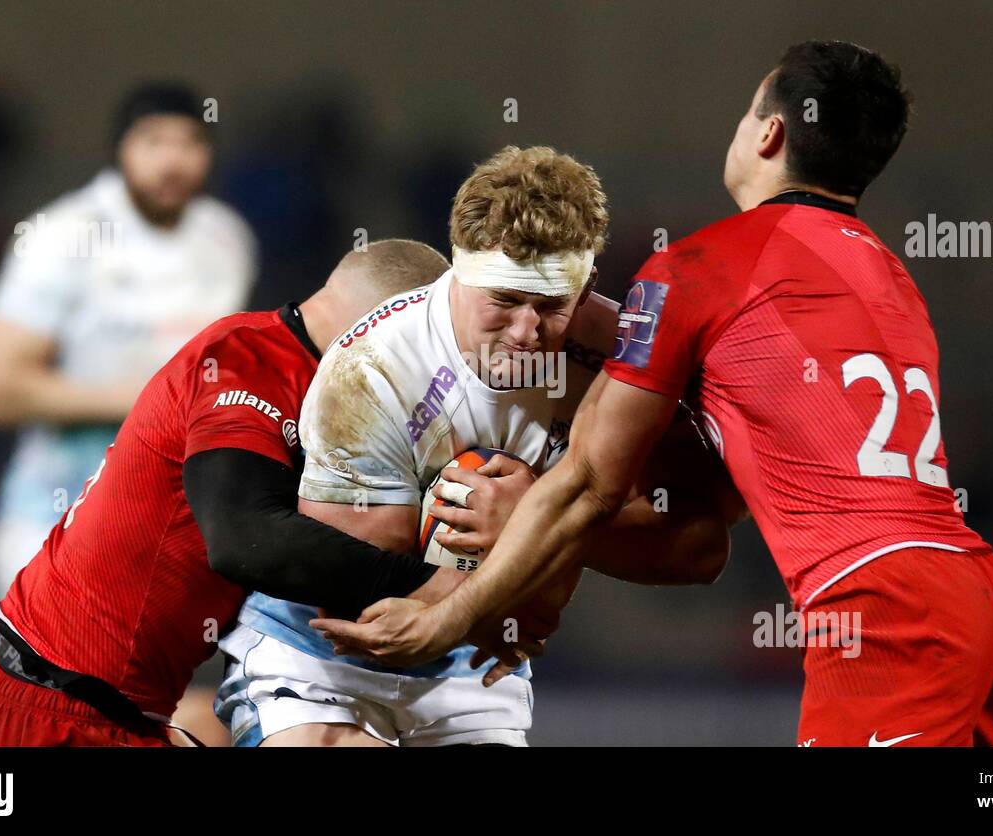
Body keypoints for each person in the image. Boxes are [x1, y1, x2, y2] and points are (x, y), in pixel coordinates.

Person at [315, 42, 993, 748]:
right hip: (989, 594)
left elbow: (587, 489)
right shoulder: (891, 280)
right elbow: (706, 521)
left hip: (885, 604)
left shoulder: (697, 269)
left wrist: (451, 617)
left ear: (769, 133)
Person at [217, 146, 740, 747]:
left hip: (474, 664)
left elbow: (700, 550)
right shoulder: (372, 369)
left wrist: (534, 518)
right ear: (459, 273)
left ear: (588, 284)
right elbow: (369, 596)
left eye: (550, 307)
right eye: (504, 300)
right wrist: (537, 561)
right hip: (322, 659)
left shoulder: (622, 360)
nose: (524, 334)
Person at [0, 240, 451, 746]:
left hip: (86, 701)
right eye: (426, 346)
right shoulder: (246, 363)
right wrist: (439, 589)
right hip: (45, 709)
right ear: (393, 323)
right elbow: (244, 539)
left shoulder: (295, 373)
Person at [0, 82, 257, 598]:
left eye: (190, 142)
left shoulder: (227, 239)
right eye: (154, 141)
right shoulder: (64, 234)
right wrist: (150, 401)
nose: (173, 160)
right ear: (121, 147)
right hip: (56, 523)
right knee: (68, 677)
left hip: (174, 530)